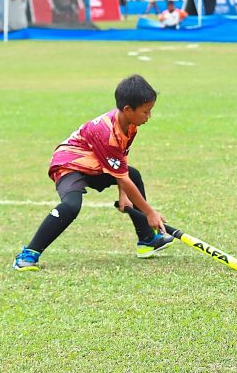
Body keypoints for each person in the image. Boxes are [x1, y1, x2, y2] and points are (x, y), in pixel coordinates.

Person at [13, 75, 173, 271]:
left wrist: (124, 195)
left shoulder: (130, 126)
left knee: (134, 175)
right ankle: (29, 254)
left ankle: (147, 239)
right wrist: (149, 212)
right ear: (128, 110)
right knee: (71, 206)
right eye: (146, 112)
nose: (149, 116)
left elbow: (121, 162)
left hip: (96, 164)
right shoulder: (106, 132)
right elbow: (121, 175)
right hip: (70, 164)